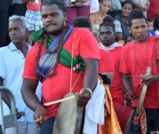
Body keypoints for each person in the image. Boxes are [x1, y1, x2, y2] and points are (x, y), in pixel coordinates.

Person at [21, 0, 101, 133]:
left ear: (64, 16)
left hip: (81, 110)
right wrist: (37, 108)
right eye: (45, 16)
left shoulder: (81, 35)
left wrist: (87, 91)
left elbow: (92, 67)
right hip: (50, 115)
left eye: (53, 14)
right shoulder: (35, 50)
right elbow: (26, 88)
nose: (49, 19)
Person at [120, 9, 159, 133]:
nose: (141, 30)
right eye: (136, 27)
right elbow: (125, 77)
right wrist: (128, 92)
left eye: (143, 26)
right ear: (129, 29)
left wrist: (155, 78)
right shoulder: (125, 49)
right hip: (140, 104)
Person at [0, 15, 41, 134]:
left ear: (26, 31)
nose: (12, 33)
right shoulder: (1, 53)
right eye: (10, 30)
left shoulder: (36, 53)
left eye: (16, 29)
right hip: (9, 113)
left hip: (33, 112)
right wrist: (12, 107)